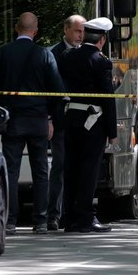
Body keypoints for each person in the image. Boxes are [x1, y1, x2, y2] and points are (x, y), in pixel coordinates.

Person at [0, 12, 65, 235]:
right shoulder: (44, 55)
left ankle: (9, 220)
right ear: (35, 30)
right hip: (38, 121)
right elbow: (58, 90)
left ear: (15, 28)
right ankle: (40, 221)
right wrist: (50, 119)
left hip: (12, 122)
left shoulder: (3, 53)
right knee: (41, 172)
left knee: (10, 171)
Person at [58, 16, 117, 233]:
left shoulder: (67, 56)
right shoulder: (101, 61)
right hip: (94, 123)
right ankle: (85, 217)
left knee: (71, 169)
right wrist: (112, 131)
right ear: (102, 40)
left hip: (72, 118)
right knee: (89, 171)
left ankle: (70, 218)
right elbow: (107, 98)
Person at [47, 14, 86, 231]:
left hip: (83, 120)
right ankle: (54, 215)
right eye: (77, 31)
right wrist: (50, 118)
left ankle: (75, 213)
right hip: (61, 119)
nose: (81, 36)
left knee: (80, 167)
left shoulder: (88, 53)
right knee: (60, 167)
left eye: (83, 32)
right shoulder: (52, 54)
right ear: (66, 30)